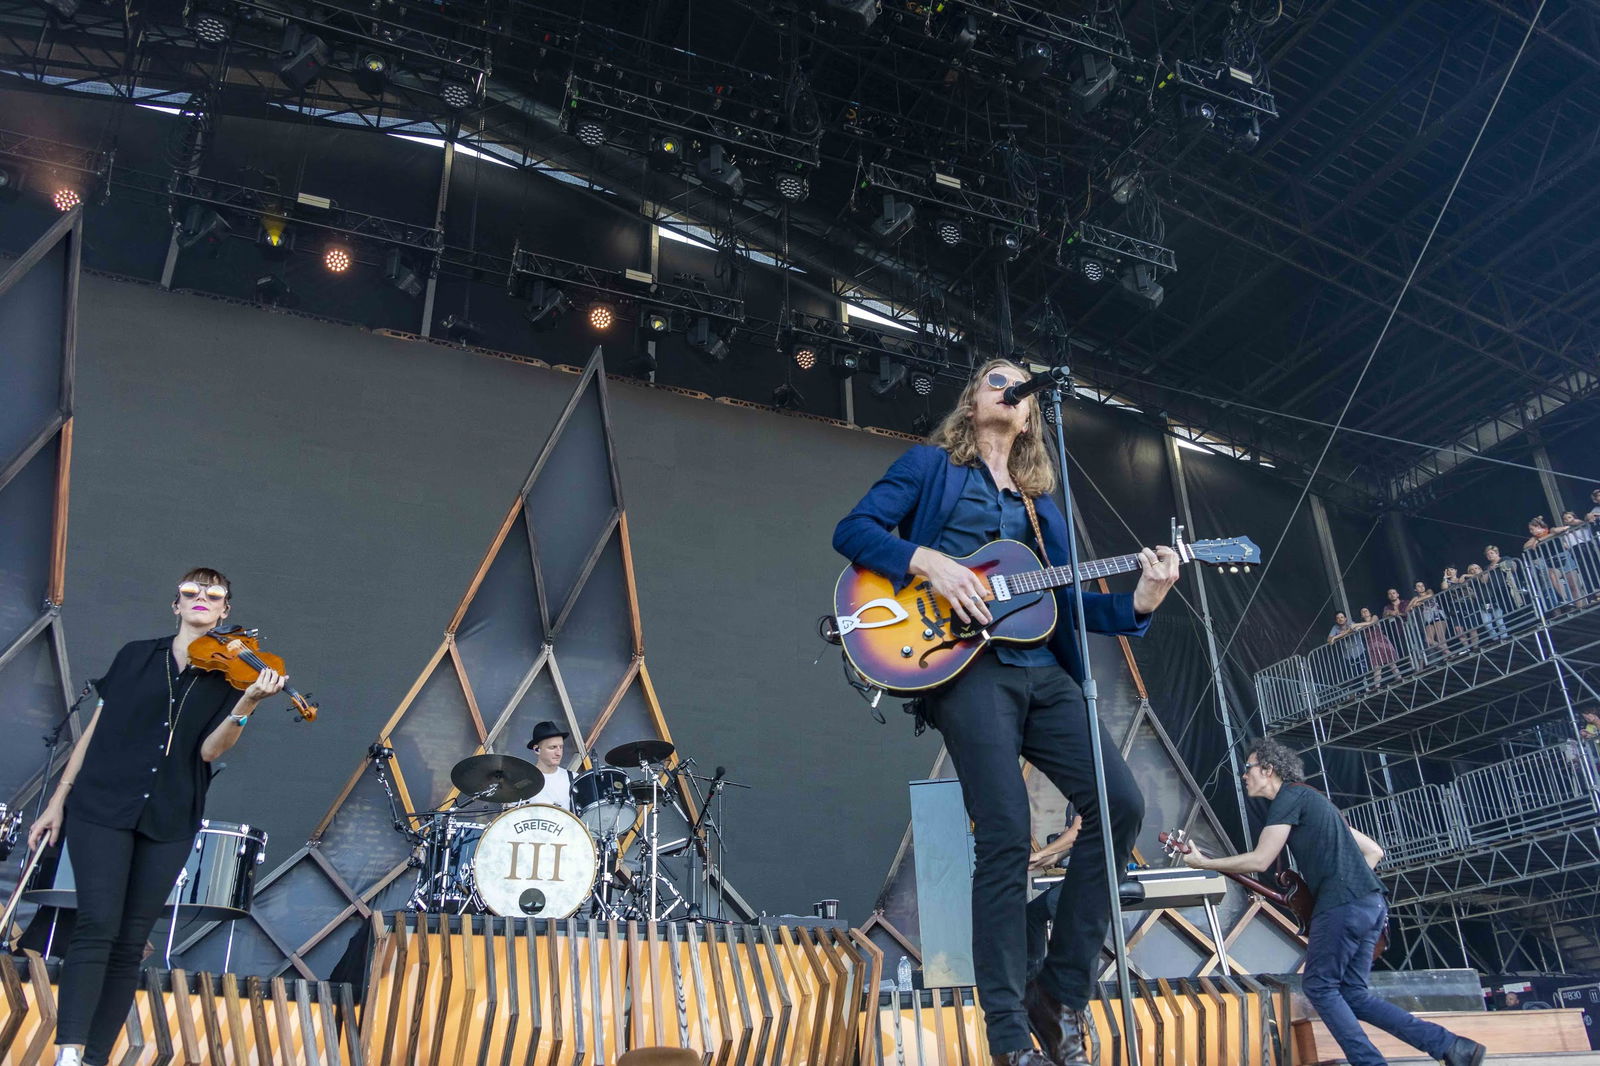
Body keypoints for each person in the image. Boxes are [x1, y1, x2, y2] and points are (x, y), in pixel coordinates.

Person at [833, 358, 1181, 1066]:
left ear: (1030, 416)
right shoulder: (930, 468)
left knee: (1120, 806)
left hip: (1045, 674)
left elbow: (1066, 603)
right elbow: (855, 530)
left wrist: (1140, 603)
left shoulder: (1039, 507)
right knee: (1005, 835)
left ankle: (1058, 995)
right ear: (975, 400)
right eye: (998, 379)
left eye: (1018, 387)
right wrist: (928, 561)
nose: (1009, 389)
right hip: (966, 672)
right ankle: (1006, 1035)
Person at [28, 569, 285, 1066]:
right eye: (192, 592)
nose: (202, 599)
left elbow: (209, 751)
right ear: (177, 604)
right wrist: (59, 800)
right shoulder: (135, 656)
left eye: (214, 595)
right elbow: (95, 730)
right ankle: (68, 1052)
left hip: (170, 813)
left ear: (225, 611)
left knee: (129, 941)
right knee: (97, 924)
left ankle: (94, 1058)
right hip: (101, 805)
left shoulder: (233, 676)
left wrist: (248, 703)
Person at [1179, 739, 1485, 1066]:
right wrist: (1347, 882)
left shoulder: (1288, 798)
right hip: (1372, 904)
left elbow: (1261, 859)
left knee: (1320, 987)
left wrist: (1204, 864)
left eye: (1248, 768)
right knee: (1353, 994)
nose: (1243, 776)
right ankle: (1453, 1047)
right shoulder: (1317, 802)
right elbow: (1374, 851)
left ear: (1268, 770)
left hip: (1343, 906)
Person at [525, 720, 574, 812]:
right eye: (553, 747)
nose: (559, 753)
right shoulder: (522, 780)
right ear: (536, 749)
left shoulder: (573, 778)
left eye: (561, 747)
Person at [1355, 607, 1401, 687]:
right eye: (1363, 612)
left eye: (1366, 610)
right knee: (1377, 666)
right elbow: (1356, 629)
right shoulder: (1361, 625)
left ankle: (1399, 678)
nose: (1365, 612)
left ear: (1369, 612)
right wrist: (1358, 625)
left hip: (1381, 642)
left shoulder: (1374, 617)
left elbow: (1372, 622)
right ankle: (1377, 686)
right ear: (1361, 616)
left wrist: (1357, 624)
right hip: (1372, 646)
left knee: (1391, 662)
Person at [1326, 612, 1368, 693]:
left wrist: (1336, 637)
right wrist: (1336, 637)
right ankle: (1362, 692)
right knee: (1354, 674)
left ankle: (1357, 689)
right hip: (1348, 655)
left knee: (1363, 672)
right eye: (1338, 618)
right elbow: (1329, 639)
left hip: (1359, 651)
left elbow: (1351, 631)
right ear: (1336, 620)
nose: (1340, 619)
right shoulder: (1335, 627)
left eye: (1342, 617)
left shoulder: (1351, 623)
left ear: (1345, 618)